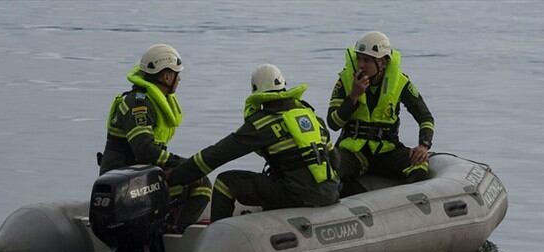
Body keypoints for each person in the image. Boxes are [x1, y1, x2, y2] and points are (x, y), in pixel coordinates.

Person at [168, 64, 340, 222]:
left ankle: (216, 235)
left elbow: (216, 155)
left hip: (297, 195)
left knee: (225, 182)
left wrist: (176, 176)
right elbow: (335, 161)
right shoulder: (312, 118)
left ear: (256, 92)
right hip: (329, 193)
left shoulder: (262, 123)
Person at [98, 43, 211, 227]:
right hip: (126, 180)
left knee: (188, 179)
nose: (179, 79)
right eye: (177, 74)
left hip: (140, 175)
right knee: (201, 182)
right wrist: (182, 163)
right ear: (166, 76)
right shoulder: (138, 104)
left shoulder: (149, 100)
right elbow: (145, 150)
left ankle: (167, 225)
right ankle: (177, 233)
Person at [326, 31, 435, 195]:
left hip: (387, 151)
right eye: (359, 58)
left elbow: (425, 117)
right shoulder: (345, 81)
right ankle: (353, 196)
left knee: (419, 166)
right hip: (353, 153)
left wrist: (423, 145)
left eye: (367, 60)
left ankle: (403, 203)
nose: (361, 65)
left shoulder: (401, 82)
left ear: (383, 62)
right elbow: (333, 123)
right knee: (327, 168)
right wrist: (354, 96)